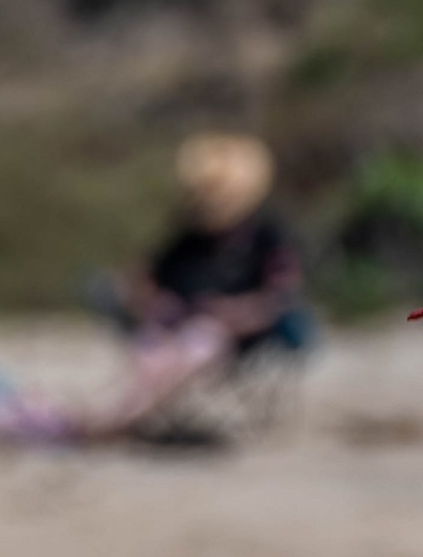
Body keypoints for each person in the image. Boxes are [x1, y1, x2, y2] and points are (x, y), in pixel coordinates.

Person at [85, 132, 309, 437]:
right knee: (153, 347)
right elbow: (147, 277)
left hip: (232, 336)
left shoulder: (267, 237)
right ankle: (123, 414)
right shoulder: (187, 236)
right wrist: (151, 300)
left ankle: (121, 419)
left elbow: (281, 296)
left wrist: (235, 314)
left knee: (197, 341)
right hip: (173, 327)